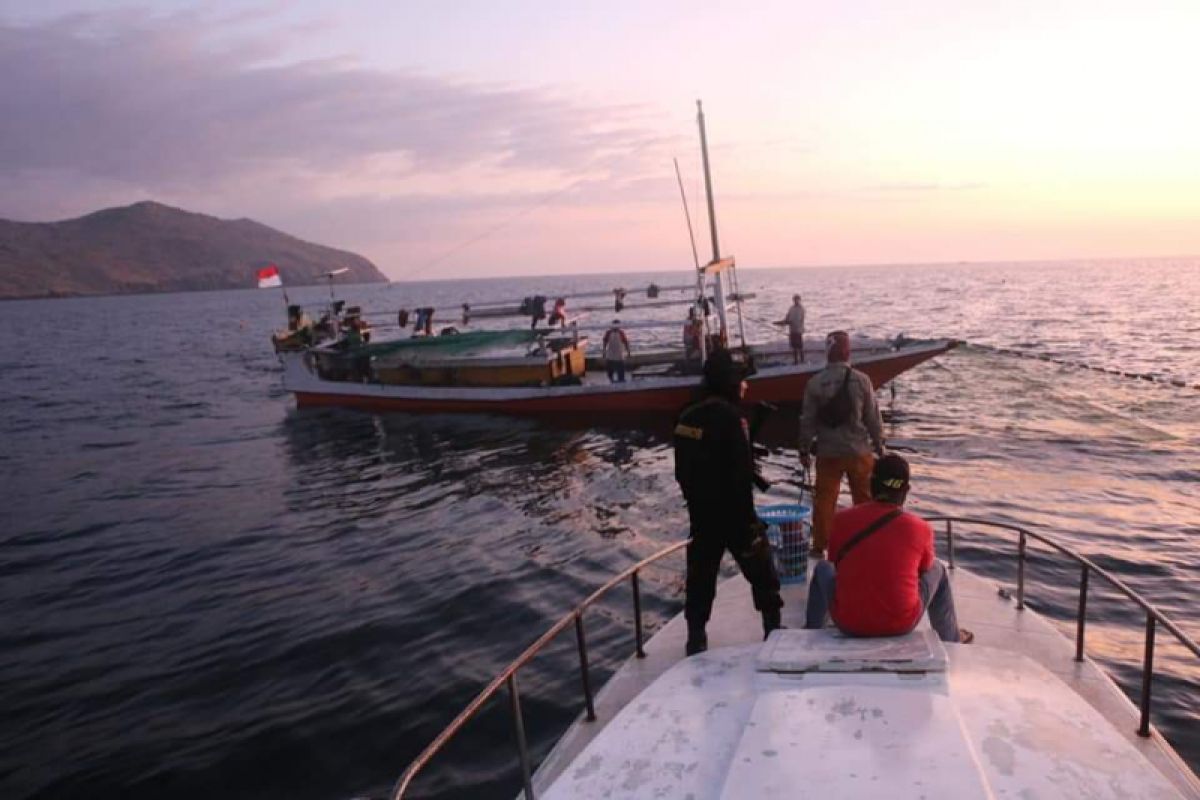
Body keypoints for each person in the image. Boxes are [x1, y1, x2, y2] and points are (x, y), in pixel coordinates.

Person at [674, 348, 784, 656]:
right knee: (763, 575)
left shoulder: (686, 415)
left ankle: (696, 638)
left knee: (700, 578)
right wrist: (749, 520)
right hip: (735, 516)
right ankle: (773, 632)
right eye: (740, 380)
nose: (745, 386)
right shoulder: (733, 418)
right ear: (729, 382)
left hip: (702, 515)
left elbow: (681, 471)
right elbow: (740, 473)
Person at [804, 454, 972, 644]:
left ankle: (810, 632)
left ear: (871, 484)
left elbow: (835, 562)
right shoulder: (920, 528)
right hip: (900, 624)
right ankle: (951, 638)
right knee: (938, 569)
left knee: (822, 568)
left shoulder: (841, 519)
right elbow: (924, 569)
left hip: (848, 623)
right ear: (906, 490)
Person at [798, 331, 884, 558]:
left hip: (828, 453)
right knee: (865, 500)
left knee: (825, 501)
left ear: (827, 353)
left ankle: (820, 547)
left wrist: (804, 449)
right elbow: (873, 418)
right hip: (859, 451)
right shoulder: (862, 380)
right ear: (848, 352)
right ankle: (868, 541)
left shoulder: (814, 383)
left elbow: (807, 421)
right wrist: (880, 446)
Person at [781, 294, 806, 364]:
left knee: (800, 346)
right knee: (794, 346)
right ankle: (795, 361)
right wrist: (784, 321)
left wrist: (799, 327)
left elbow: (800, 320)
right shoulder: (791, 308)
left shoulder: (801, 309)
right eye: (794, 300)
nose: (796, 301)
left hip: (798, 330)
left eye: (797, 299)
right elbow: (787, 317)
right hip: (792, 330)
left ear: (799, 300)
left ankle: (802, 360)